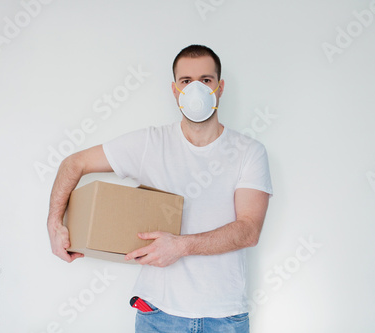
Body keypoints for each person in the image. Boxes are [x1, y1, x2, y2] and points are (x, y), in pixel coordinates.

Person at [47, 44, 273, 333]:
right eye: (186, 81)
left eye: (205, 80)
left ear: (220, 87)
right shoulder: (150, 144)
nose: (196, 89)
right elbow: (73, 163)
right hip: (158, 314)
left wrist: (181, 246)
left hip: (225, 317)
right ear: (175, 89)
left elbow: (249, 230)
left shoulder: (248, 152)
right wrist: (54, 224)